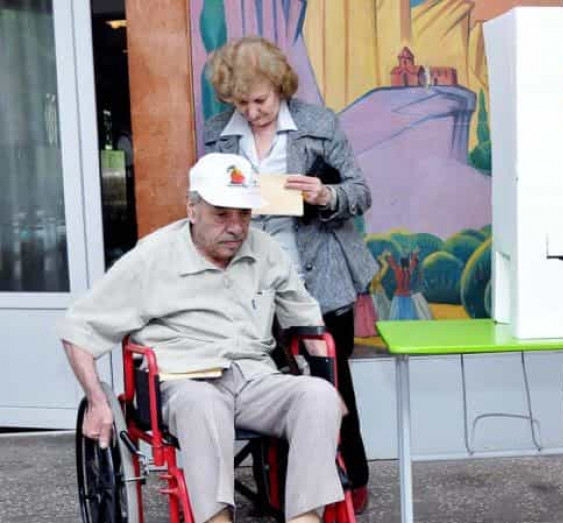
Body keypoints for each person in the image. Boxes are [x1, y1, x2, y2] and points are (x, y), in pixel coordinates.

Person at [57, 153, 345, 523]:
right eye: (221, 214)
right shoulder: (153, 257)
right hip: (183, 381)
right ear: (192, 210)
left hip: (255, 379)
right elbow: (78, 328)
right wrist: (98, 402)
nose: (236, 228)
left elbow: (306, 320)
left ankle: (305, 519)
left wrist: (325, 378)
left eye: (244, 214)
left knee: (318, 396)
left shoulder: (266, 251)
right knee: (203, 403)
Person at [203, 36, 378, 512]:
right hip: (250, 282)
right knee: (271, 388)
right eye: (241, 103)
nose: (252, 112)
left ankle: (352, 481)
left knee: (332, 382)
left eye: (260, 100)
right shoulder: (217, 134)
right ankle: (286, 493)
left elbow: (360, 193)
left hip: (319, 276)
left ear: (280, 86)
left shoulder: (319, 124)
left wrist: (324, 194)